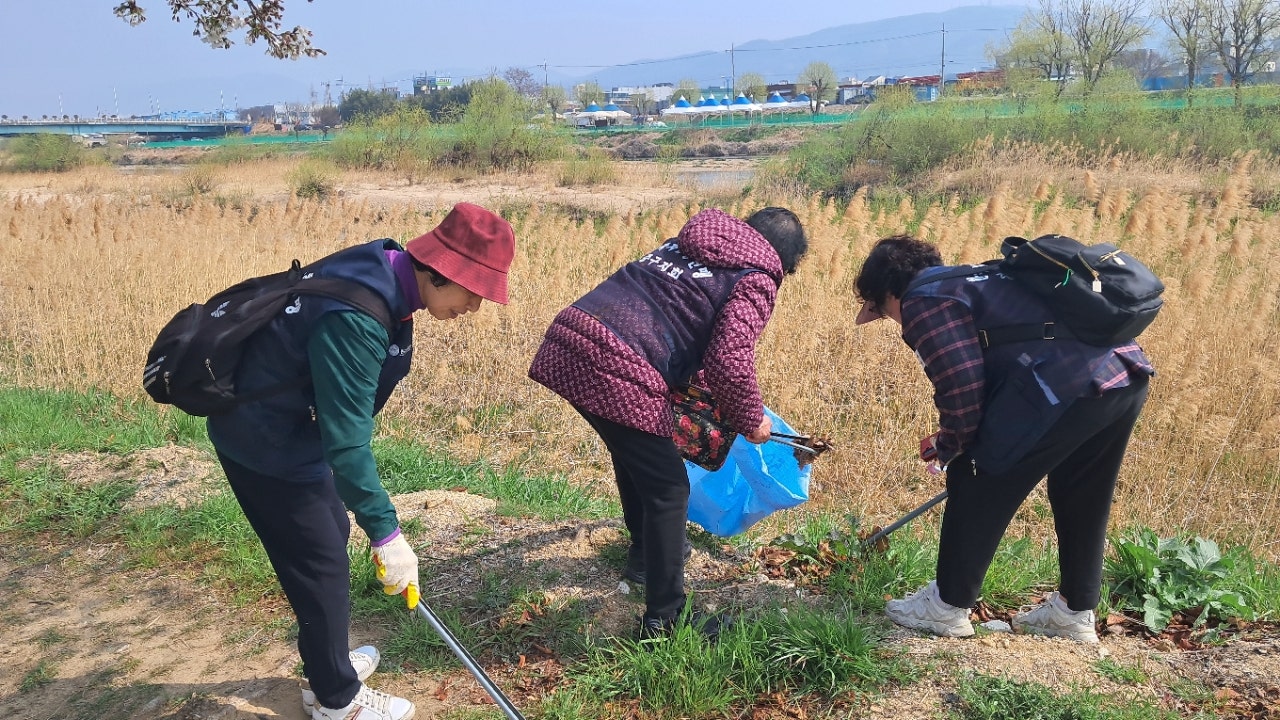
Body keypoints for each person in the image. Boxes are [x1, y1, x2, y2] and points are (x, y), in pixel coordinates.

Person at [205, 203, 516, 720]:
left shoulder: (386, 266)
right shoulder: (357, 318)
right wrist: (388, 534)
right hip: (265, 442)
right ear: (441, 272)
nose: (475, 308)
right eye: (474, 292)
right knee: (320, 561)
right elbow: (347, 443)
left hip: (291, 432)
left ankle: (328, 668)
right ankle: (337, 701)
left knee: (325, 540)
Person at [853, 235, 1153, 643]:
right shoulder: (975, 277)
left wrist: (950, 448)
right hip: (1123, 374)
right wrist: (950, 437)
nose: (893, 320)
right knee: (1082, 492)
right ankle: (1073, 612)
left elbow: (961, 391)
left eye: (884, 311)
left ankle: (945, 607)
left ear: (889, 292)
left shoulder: (923, 300)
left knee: (976, 475)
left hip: (1070, 385)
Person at [529, 207, 808, 638]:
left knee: (636, 454)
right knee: (669, 487)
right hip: (618, 361)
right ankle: (665, 621)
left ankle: (644, 558)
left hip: (572, 338)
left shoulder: (687, 244)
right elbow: (729, 361)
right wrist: (751, 420)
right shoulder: (757, 274)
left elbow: (673, 316)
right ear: (784, 262)